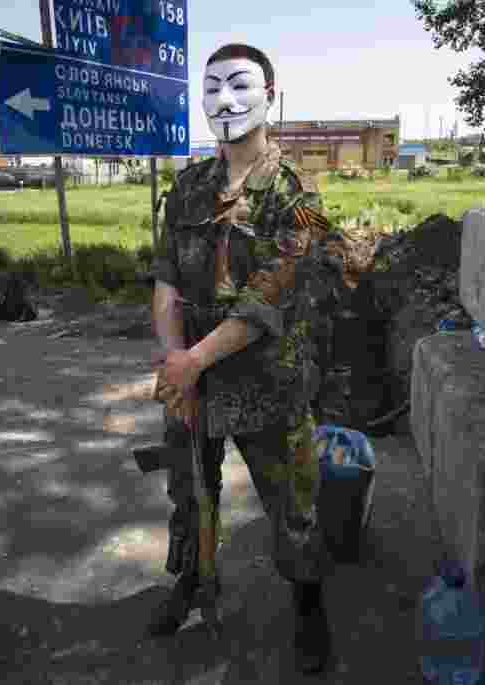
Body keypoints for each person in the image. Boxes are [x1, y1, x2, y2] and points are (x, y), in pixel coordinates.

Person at [148, 43, 338, 674]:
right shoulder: (189, 186)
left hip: (266, 379)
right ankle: (193, 580)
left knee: (293, 507)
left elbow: (267, 298)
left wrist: (191, 361)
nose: (224, 100)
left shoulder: (300, 194)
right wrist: (176, 361)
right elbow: (166, 279)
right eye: (211, 88)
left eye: (238, 85)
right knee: (189, 494)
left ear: (271, 96)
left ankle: (309, 603)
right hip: (191, 379)